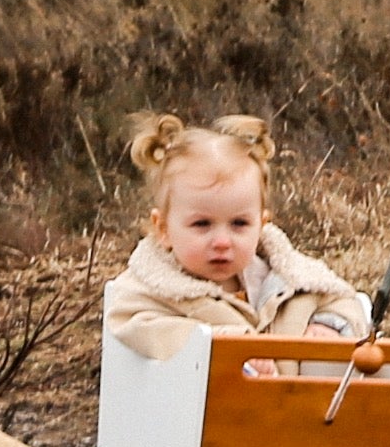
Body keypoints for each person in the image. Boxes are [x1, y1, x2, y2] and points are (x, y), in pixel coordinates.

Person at [104, 113, 371, 373]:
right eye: (202, 224)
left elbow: (348, 301)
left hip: (300, 411)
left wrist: (329, 325)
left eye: (239, 224)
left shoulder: (294, 279)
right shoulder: (151, 289)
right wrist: (228, 345)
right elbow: (138, 325)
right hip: (209, 412)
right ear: (164, 229)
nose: (222, 242)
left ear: (261, 225)